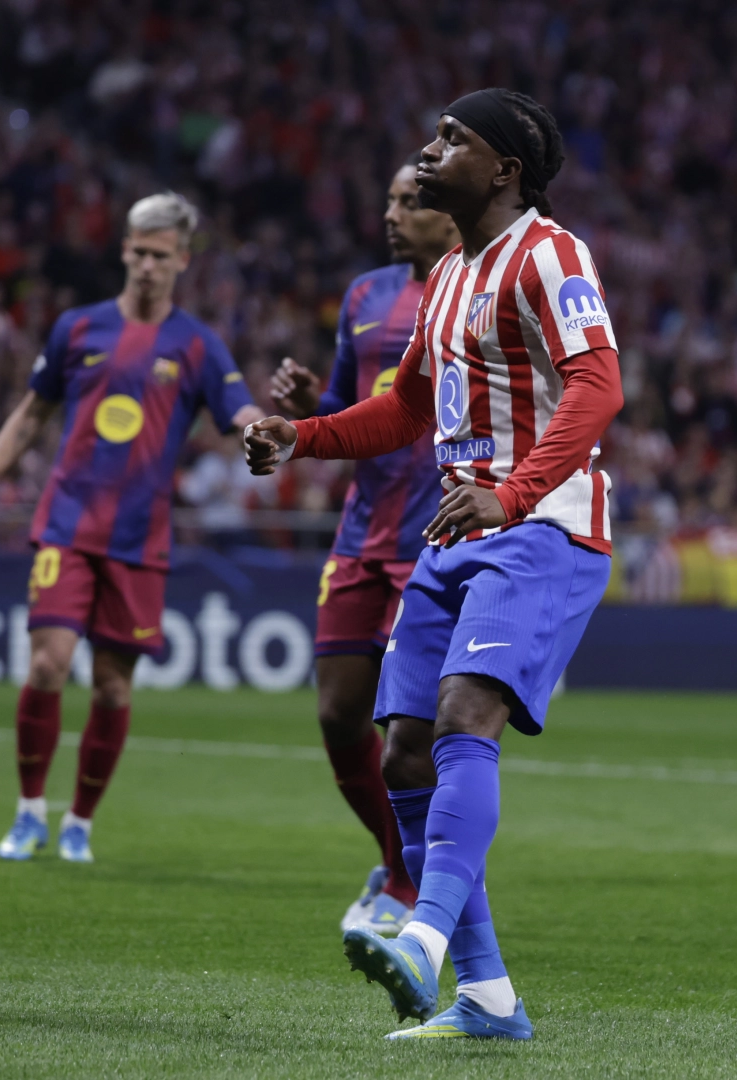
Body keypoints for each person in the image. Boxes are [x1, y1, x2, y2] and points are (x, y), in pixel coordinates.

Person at [245, 88, 621, 1040]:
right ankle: (488, 995)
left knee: (463, 715)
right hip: (456, 530)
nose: (428, 148)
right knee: (403, 748)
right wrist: (301, 436)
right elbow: (407, 409)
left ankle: (422, 935)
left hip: (542, 529)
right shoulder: (450, 272)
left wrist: (517, 492)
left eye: (453, 138)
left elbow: (598, 385)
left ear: (504, 170)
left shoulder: (551, 254)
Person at [0, 193, 262, 863]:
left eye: (160, 255)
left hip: (139, 539)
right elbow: (30, 415)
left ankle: (80, 822)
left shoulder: (198, 345)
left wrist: (268, 427)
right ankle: (30, 811)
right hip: (66, 523)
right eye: (137, 252)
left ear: (182, 259)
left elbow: (240, 413)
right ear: (123, 250)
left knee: (113, 685)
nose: (146, 265)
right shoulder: (78, 328)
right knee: (48, 664)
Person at [266, 163, 458, 936]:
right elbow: (351, 407)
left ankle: (410, 886)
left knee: (406, 733)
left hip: (434, 537)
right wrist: (312, 406)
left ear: (450, 214)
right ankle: (396, 861)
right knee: (338, 712)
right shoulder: (364, 295)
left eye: (410, 202)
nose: (392, 213)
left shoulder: (475, 291)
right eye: (389, 199)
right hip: (361, 533)